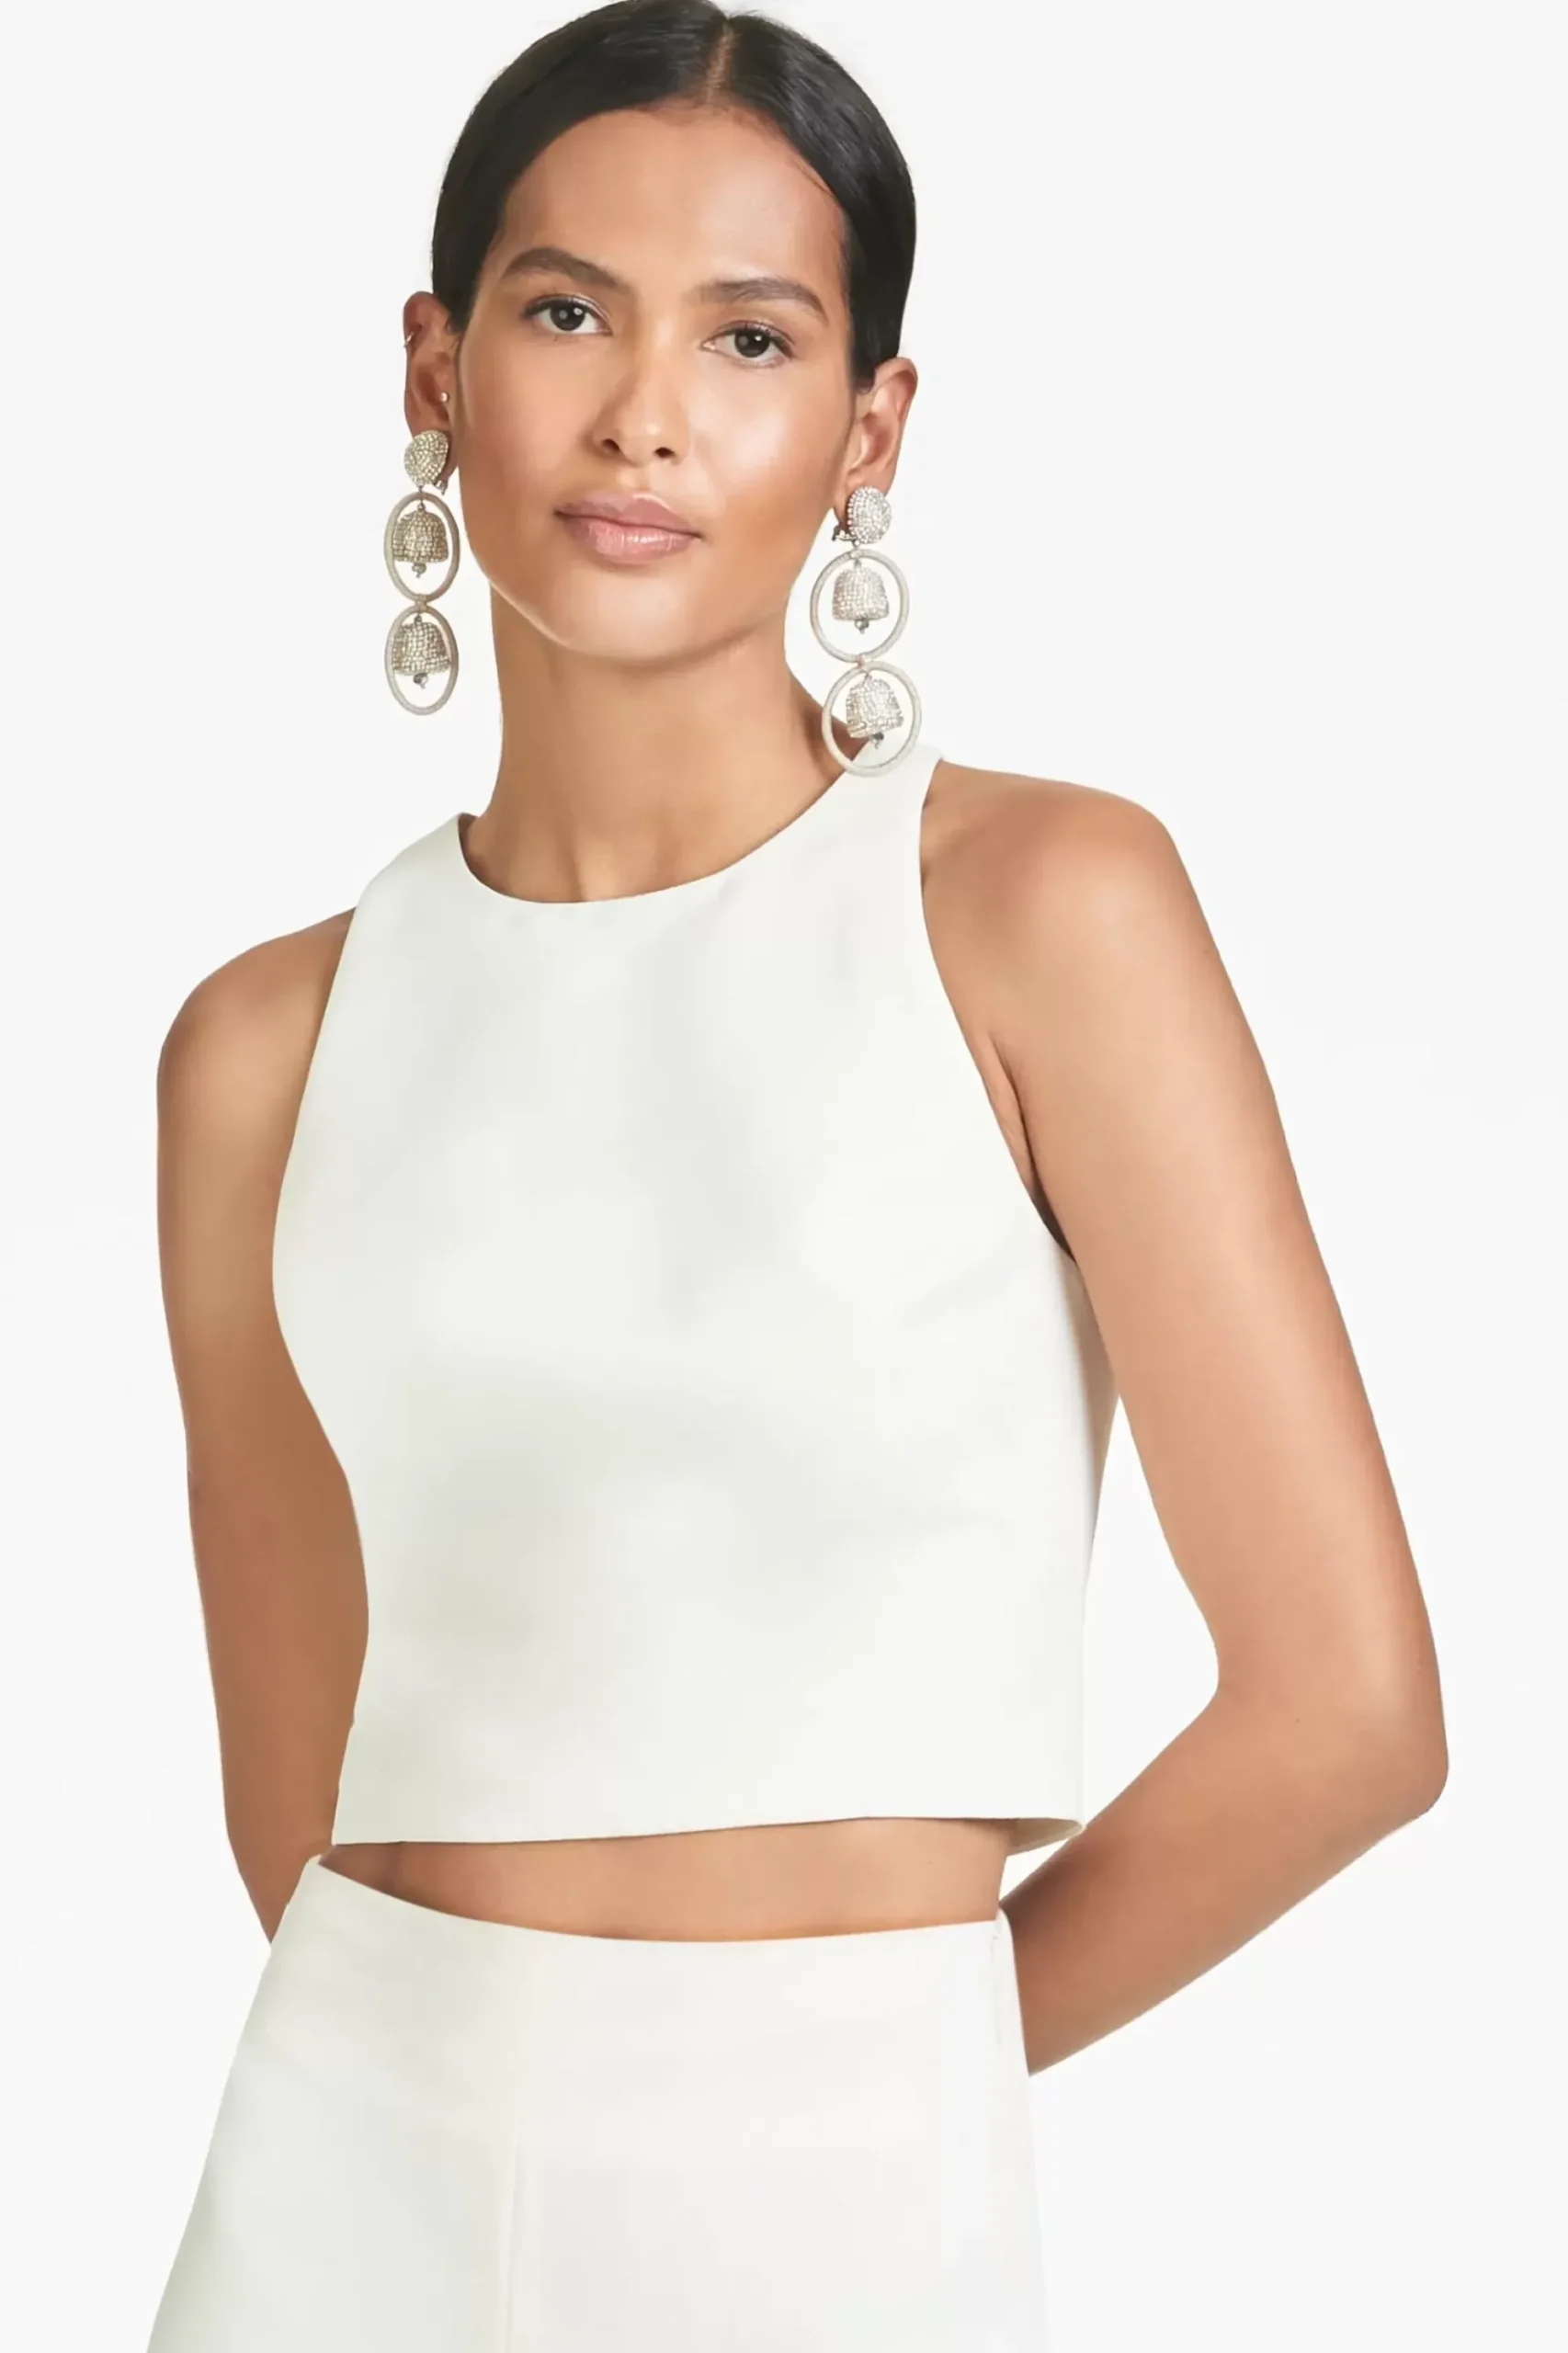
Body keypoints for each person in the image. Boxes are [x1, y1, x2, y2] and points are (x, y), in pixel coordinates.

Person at [144, 4, 1448, 2346]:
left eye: (747, 337)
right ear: (436, 368)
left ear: (868, 430)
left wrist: (867, 2063)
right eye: (567, 312)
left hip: (840, 2196)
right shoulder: (261, 1049)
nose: (645, 412)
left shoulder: (1039, 912)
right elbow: (293, 1800)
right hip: (338, 2184)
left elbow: (1347, 1708)